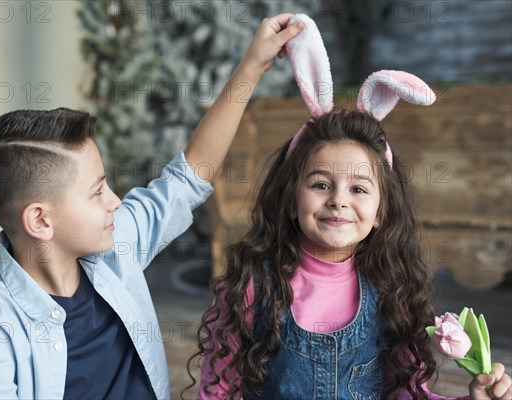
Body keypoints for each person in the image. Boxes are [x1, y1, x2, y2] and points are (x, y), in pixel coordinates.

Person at [0, 14, 304, 399]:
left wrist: (251, 67)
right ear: (40, 220)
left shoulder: (116, 243)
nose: (115, 201)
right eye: (97, 191)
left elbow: (188, 179)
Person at [188, 14, 512, 400]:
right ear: (291, 201)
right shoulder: (253, 286)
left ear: (382, 212)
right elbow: (218, 389)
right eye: (321, 184)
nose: (338, 199)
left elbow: (408, 394)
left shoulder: (393, 292)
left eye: (359, 188)